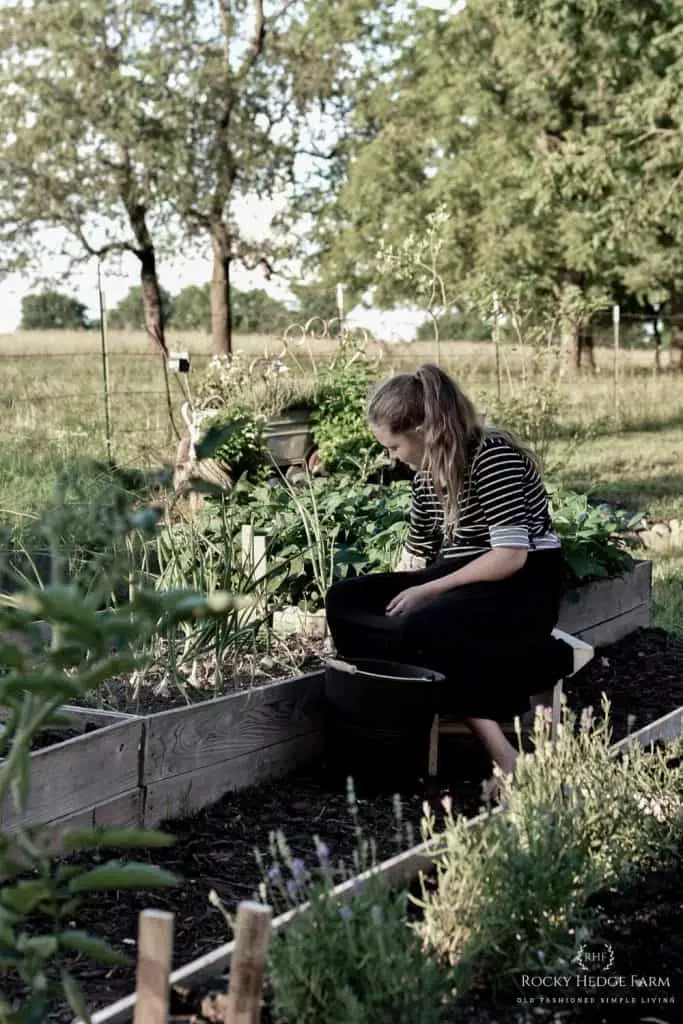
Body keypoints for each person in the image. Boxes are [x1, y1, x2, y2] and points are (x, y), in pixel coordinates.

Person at [324, 363, 564, 790]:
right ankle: (398, 696)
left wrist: (425, 592)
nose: (391, 457)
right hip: (457, 580)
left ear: (421, 428)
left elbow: (510, 556)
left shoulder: (493, 457)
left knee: (427, 623)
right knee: (345, 598)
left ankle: (505, 760)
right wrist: (388, 600)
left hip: (521, 586)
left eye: (394, 446)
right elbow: (417, 556)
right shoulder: (423, 479)